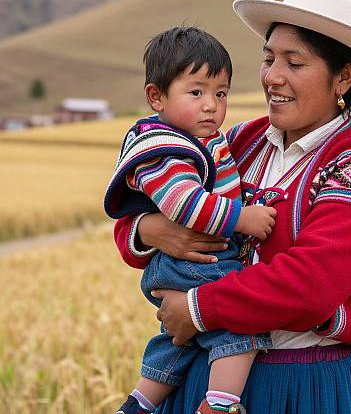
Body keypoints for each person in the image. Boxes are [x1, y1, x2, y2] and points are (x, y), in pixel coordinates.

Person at [114, 0, 351, 414]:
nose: (271, 77)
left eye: (293, 63)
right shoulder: (237, 143)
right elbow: (138, 217)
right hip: (205, 378)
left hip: (312, 388)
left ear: (344, 78)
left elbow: (310, 284)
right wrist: (150, 230)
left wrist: (197, 309)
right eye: (268, 58)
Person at [104, 26, 275, 414]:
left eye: (221, 93)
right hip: (195, 265)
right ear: (156, 97)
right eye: (196, 92)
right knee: (240, 328)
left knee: (175, 343)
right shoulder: (166, 149)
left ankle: (139, 404)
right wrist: (241, 218)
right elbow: (183, 203)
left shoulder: (205, 138)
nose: (212, 105)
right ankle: (219, 403)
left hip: (185, 266)